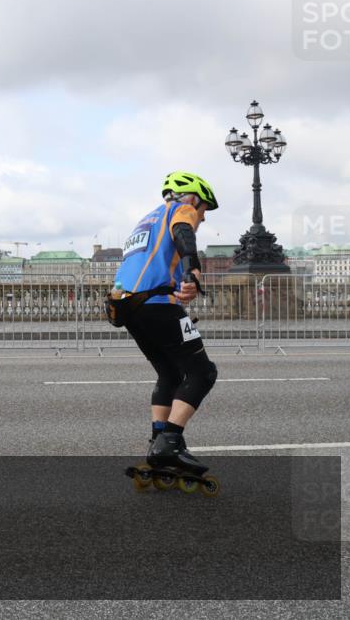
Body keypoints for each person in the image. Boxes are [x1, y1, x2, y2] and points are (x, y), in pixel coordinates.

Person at [112, 171, 219, 475]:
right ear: (194, 198)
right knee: (203, 372)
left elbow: (148, 266)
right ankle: (170, 444)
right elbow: (185, 233)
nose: (203, 217)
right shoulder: (180, 208)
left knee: (170, 373)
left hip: (128, 306)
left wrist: (177, 283)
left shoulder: (145, 221)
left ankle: (157, 442)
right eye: (204, 209)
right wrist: (193, 274)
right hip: (158, 306)